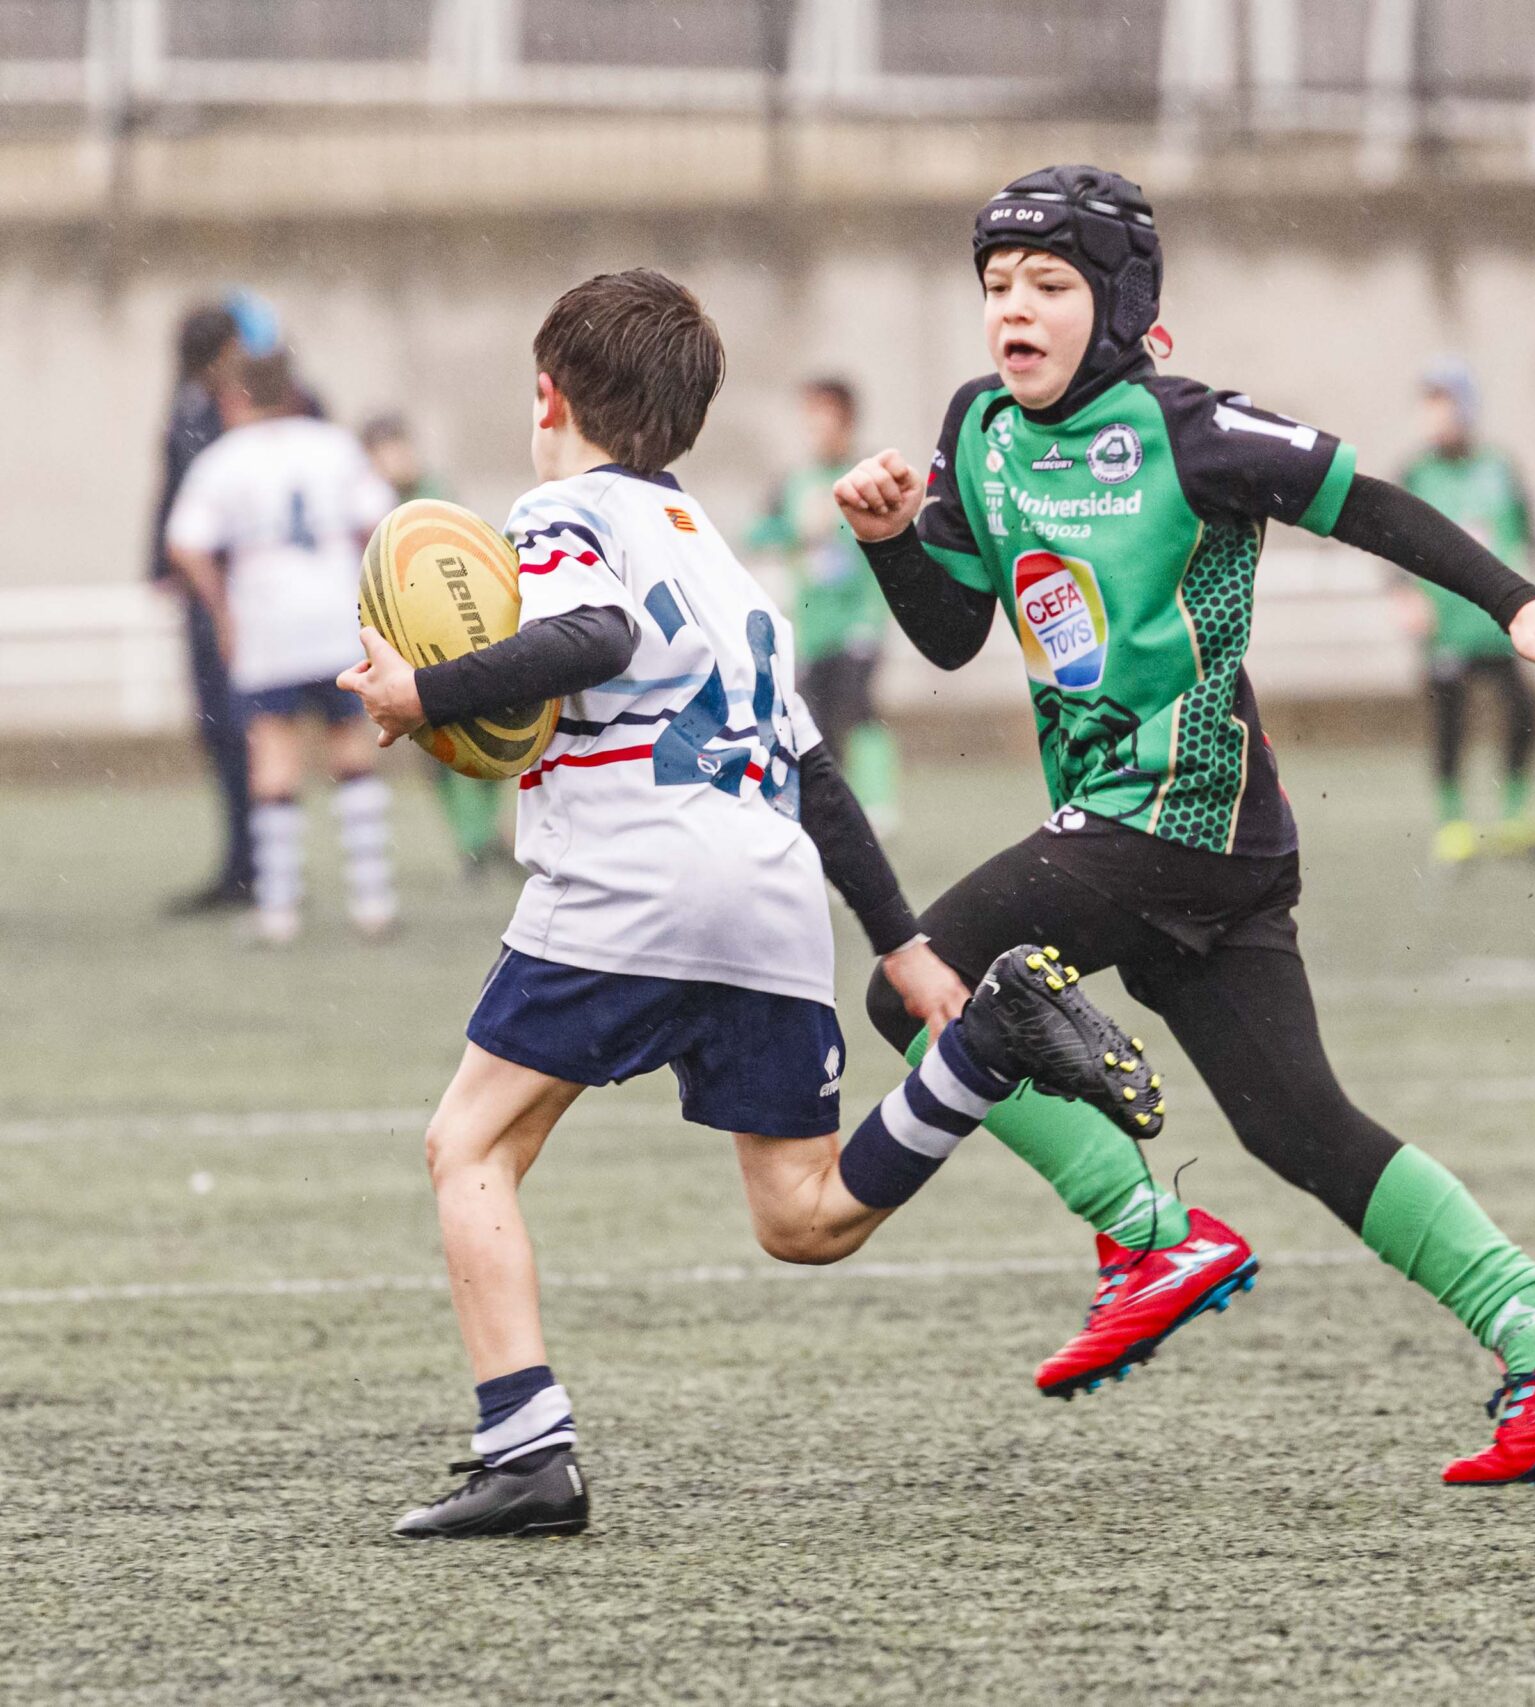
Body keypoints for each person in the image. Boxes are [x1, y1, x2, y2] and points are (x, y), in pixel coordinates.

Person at [833, 165, 1535, 1484]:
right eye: (996, 287)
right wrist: (889, 540)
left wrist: (1518, 608)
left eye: (1049, 284)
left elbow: (1371, 502)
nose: (1014, 311)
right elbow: (950, 633)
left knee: (917, 982)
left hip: (1173, 820)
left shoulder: (1189, 428)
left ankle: (1146, 1226)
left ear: (1119, 306)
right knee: (1301, 1127)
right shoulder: (978, 428)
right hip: (1193, 842)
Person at [334, 269, 1166, 1538]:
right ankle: (985, 1047)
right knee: (807, 1216)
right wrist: (905, 947)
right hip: (767, 887)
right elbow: (819, 775)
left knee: (470, 1147)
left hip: (632, 878)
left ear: (546, 394)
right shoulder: (719, 563)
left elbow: (591, 639)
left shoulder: (559, 513)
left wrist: (420, 696)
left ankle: (527, 1455)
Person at [164, 352, 399, 945]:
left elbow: (185, 543)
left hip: (267, 624)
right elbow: (383, 521)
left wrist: (220, 606)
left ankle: (279, 909)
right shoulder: (334, 446)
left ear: (234, 399)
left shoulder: (222, 459)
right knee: (352, 752)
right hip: (337, 618)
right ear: (293, 393)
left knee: (273, 758)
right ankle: (372, 900)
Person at [1396, 359, 1535, 865]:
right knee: (1449, 721)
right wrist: (1405, 593)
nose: (1432, 412)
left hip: (1501, 622)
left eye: (1441, 399)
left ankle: (1515, 815)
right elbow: (1389, 538)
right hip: (1446, 624)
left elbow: (1531, 533)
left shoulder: (1500, 467)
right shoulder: (1415, 471)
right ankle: (1454, 823)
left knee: (1524, 716)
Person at [360, 413, 511, 880]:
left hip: (458, 638)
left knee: (486, 738)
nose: (392, 460)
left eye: (397, 448)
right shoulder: (367, 505)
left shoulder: (435, 494)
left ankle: (483, 837)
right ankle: (473, 844)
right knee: (440, 755)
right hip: (407, 648)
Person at [746, 377, 901, 831]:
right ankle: (835, 810)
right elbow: (758, 533)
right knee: (818, 725)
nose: (815, 428)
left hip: (859, 622)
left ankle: (878, 803)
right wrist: (796, 532)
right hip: (812, 627)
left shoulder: (867, 475)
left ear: (847, 422)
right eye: (809, 418)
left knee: (859, 707)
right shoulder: (792, 482)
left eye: (825, 417)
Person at [153, 303, 255, 913]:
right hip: (210, 592)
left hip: (225, 596)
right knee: (223, 731)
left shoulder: (212, 415)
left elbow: (186, 504)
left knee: (239, 730)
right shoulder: (194, 411)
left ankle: (252, 866)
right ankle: (244, 861)